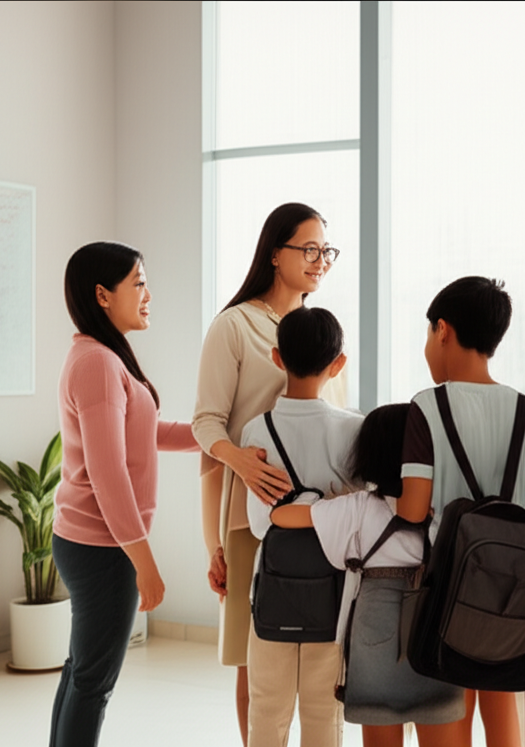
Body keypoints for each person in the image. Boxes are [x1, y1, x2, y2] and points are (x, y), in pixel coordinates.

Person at [191, 203, 342, 744]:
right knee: (255, 664)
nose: (320, 260)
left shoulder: (323, 333)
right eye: (309, 248)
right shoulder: (234, 326)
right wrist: (242, 466)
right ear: (275, 254)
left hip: (323, 528)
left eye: (326, 250)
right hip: (252, 521)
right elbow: (206, 427)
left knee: (324, 669)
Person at [396, 276, 525, 747]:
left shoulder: (427, 407)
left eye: (428, 334)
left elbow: (412, 509)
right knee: (499, 693)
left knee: (449, 692)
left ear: (442, 329)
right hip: (511, 587)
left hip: (446, 583)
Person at [50, 242, 200, 747]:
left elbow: (148, 431)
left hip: (93, 543)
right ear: (102, 294)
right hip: (103, 548)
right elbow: (108, 472)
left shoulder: (101, 357)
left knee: (81, 672)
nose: (147, 294)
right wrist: (145, 563)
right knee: (92, 683)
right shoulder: (96, 364)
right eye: (138, 282)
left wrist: (218, 439)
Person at [270, 404, 465, 747]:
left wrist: (314, 497)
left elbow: (283, 518)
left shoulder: (359, 507)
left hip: (375, 632)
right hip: (435, 630)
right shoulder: (445, 509)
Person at [239, 306, 363, 747]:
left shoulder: (257, 432)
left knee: (267, 715)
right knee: (323, 716)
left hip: (272, 593)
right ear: (339, 364)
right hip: (335, 598)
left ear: (277, 358)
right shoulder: (354, 429)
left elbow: (259, 527)